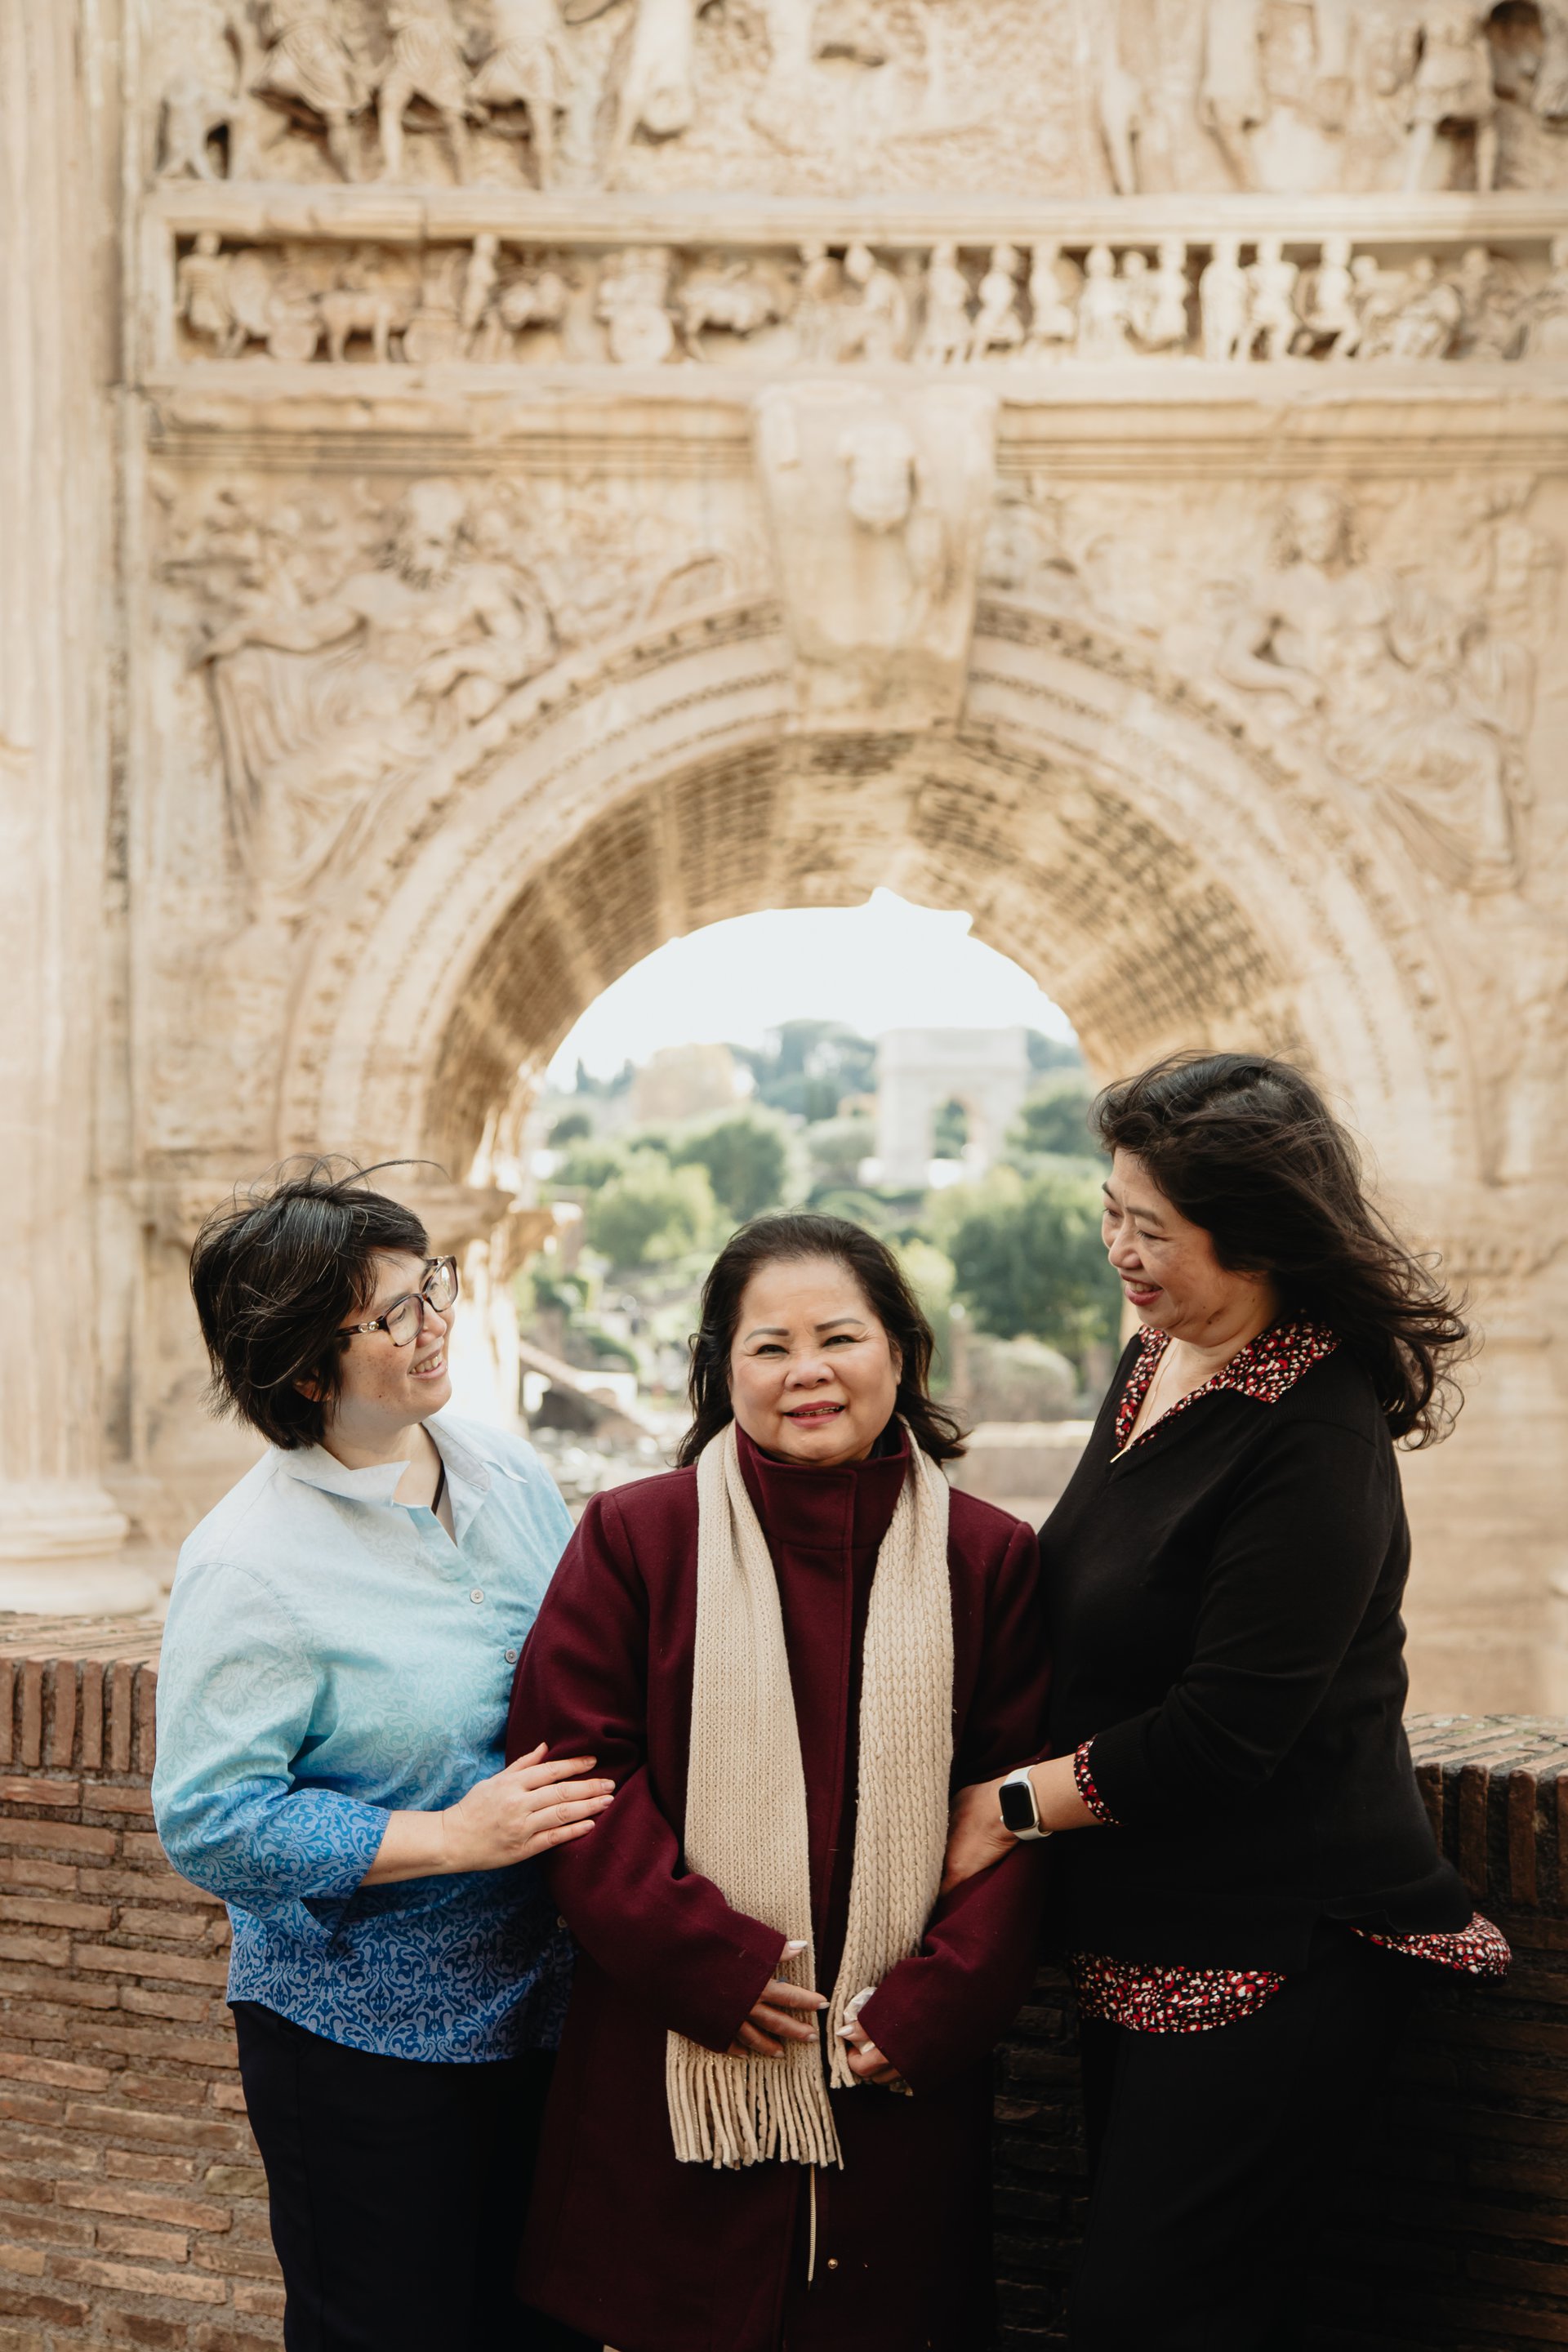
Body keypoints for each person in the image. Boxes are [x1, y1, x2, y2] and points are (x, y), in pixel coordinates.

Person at [944, 1054, 1508, 2352]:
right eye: (1110, 1212)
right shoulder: (1159, 1355)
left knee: (1145, 2318)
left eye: (1150, 1228)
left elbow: (1224, 1734)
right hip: (1147, 1933)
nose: (1118, 1252)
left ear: (1252, 1234)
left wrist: (1008, 1807)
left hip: (1280, 1951)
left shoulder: (1318, 1431)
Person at [507, 1212, 1049, 2352]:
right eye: (770, 1346)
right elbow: (573, 1775)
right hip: (674, 2066)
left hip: (889, 2073)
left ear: (901, 1350)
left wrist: (936, 2006)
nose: (809, 1371)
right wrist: (708, 1965)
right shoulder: (635, 1538)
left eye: (840, 1337)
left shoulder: (989, 1558)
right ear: (722, 1370)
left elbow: (1016, 1806)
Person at [152, 1161, 606, 2352]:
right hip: (360, 2039)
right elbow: (209, 1820)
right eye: (394, 1313)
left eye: (431, 1286)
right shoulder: (248, 1564)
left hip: (549, 2003)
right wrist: (453, 1836)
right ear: (306, 1369)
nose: (433, 1323)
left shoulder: (508, 1472)